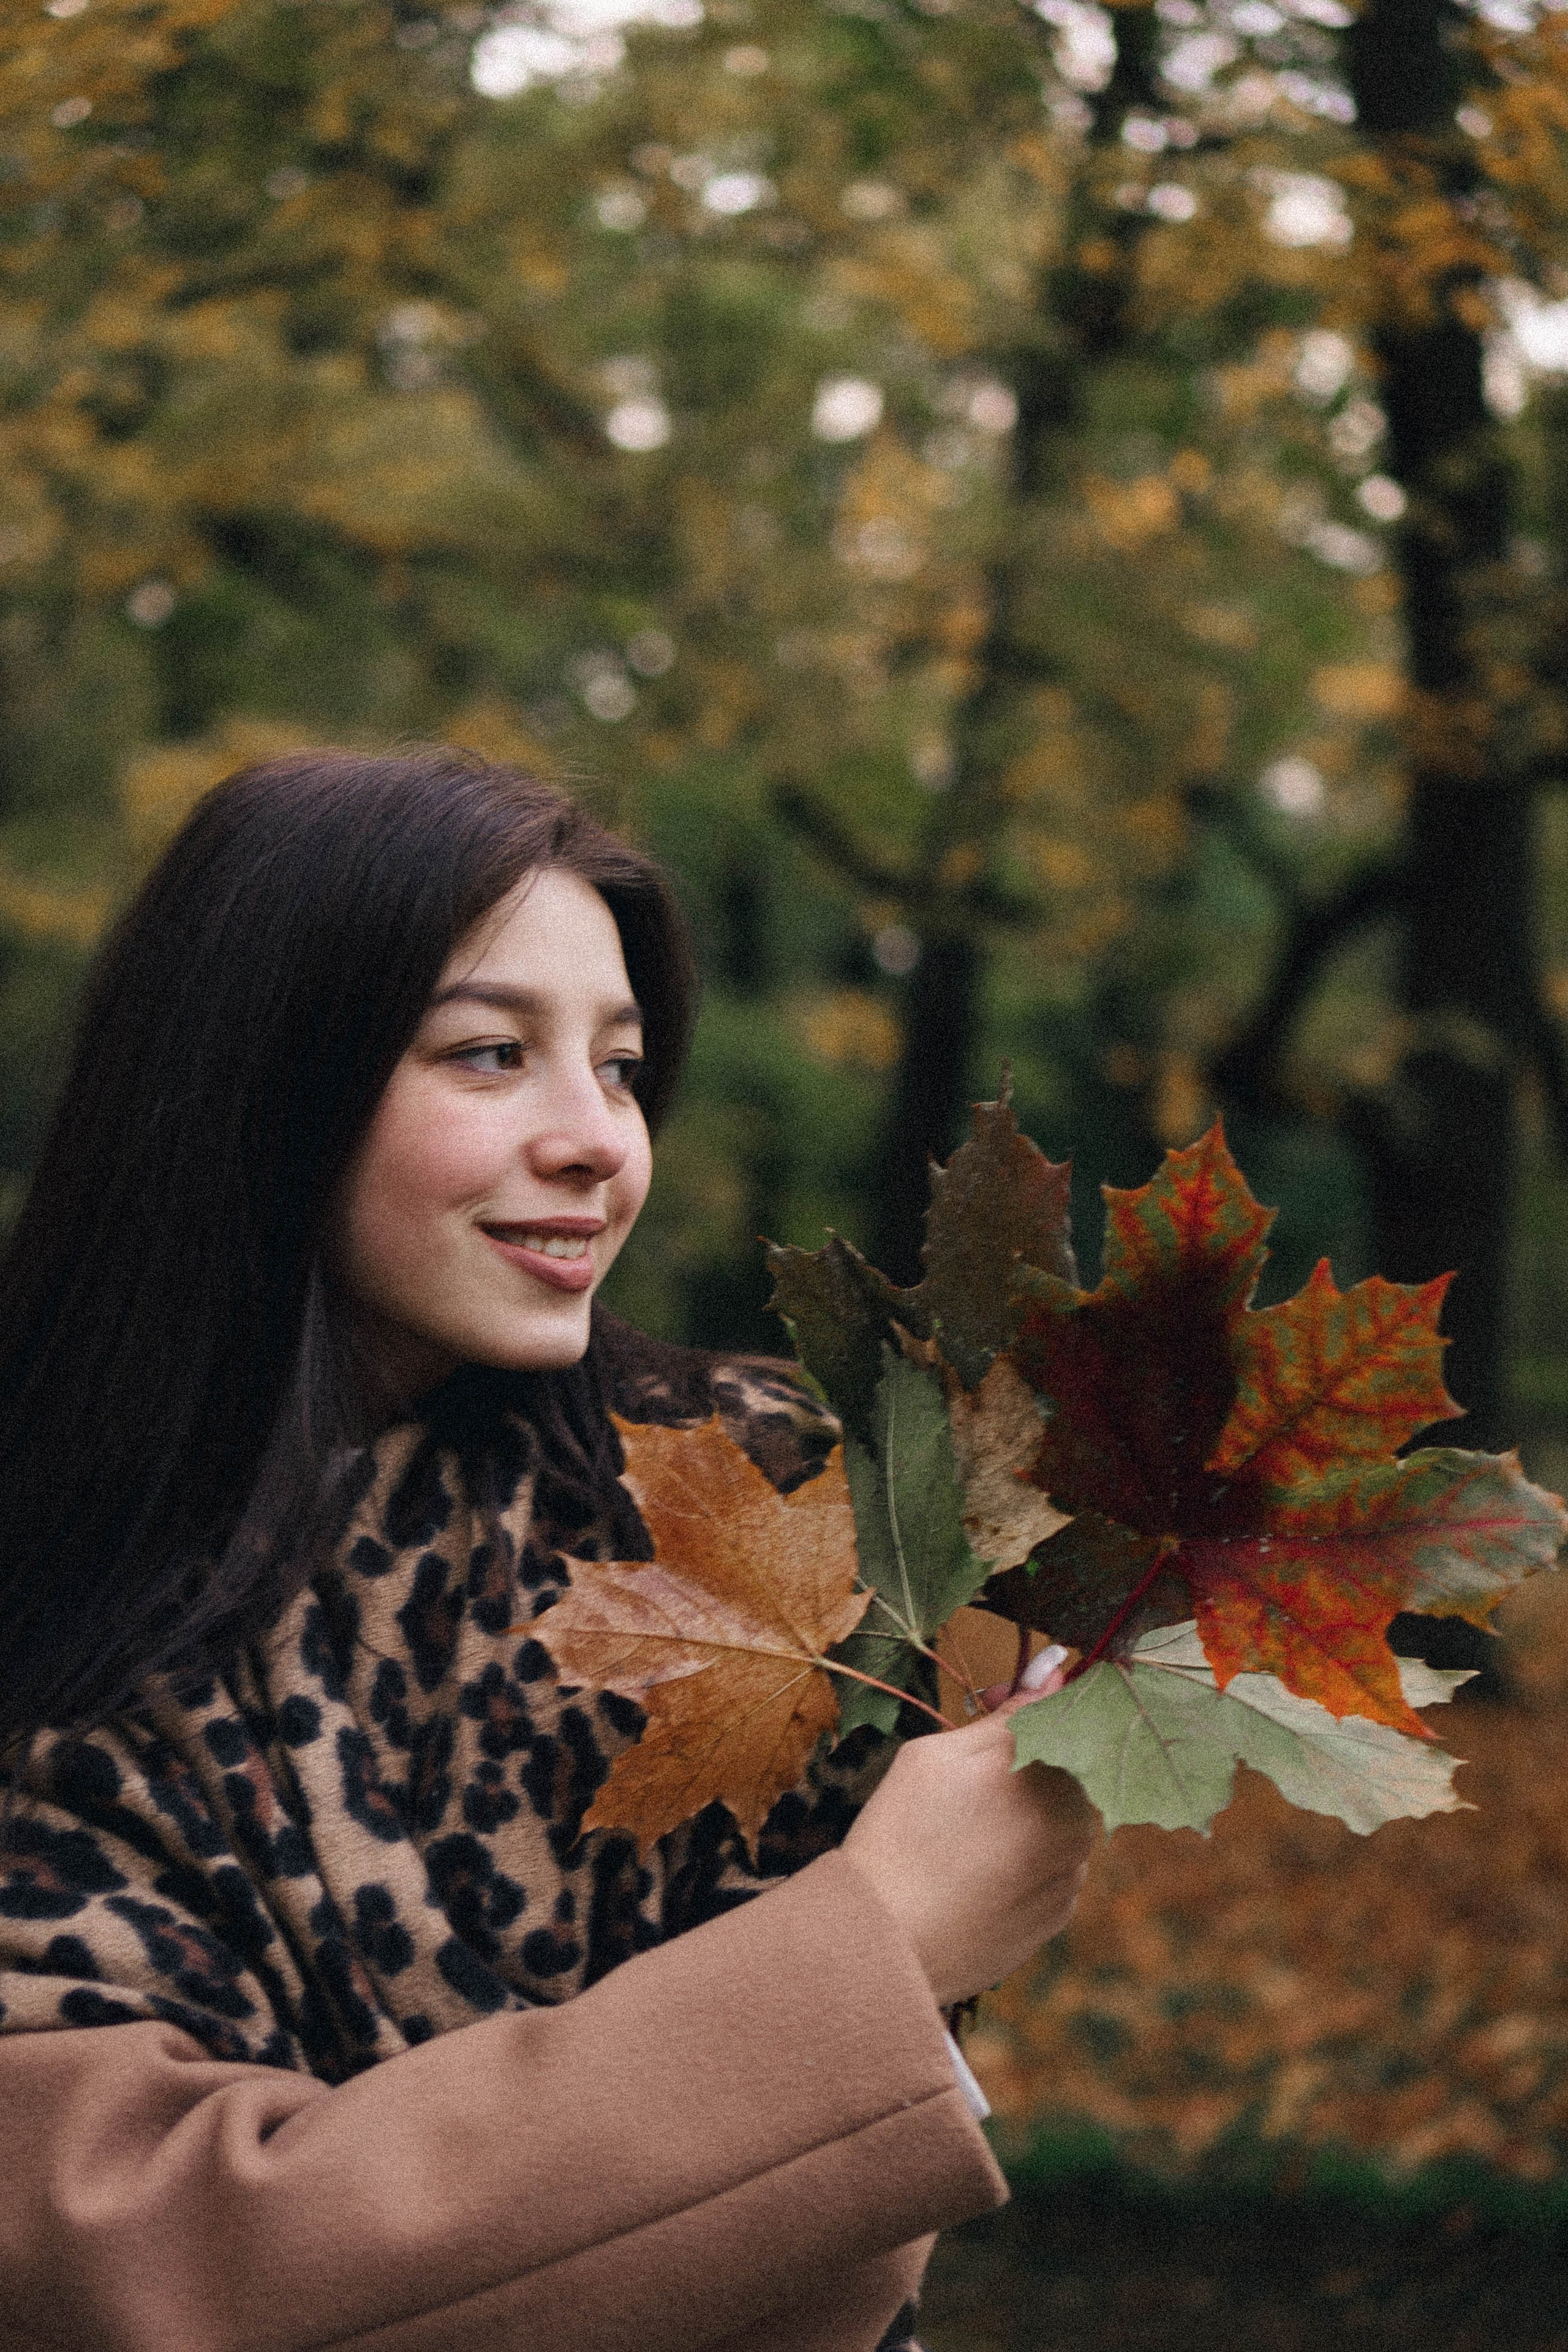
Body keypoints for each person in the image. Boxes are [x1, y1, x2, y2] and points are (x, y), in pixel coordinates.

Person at [0, 748, 1098, 2352]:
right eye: (491, 1054)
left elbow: (835, 2270)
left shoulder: (748, 1504)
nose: (599, 1140)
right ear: (262, 1083)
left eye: (624, 1066)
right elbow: (162, 2269)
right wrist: (877, 1948)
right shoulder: (56, 1603)